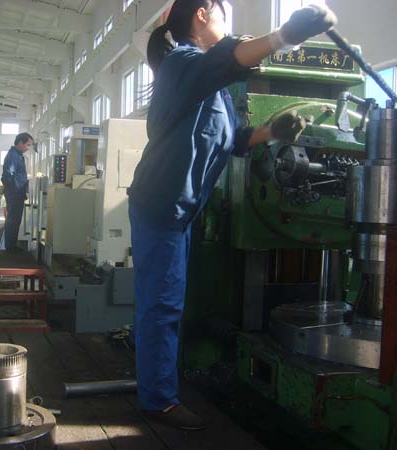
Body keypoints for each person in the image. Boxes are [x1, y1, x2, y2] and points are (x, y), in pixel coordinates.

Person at [127, 1, 336, 431]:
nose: (227, 23)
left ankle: (155, 382)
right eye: (224, 12)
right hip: (161, 204)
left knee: (165, 300)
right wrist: (285, 36)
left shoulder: (211, 84)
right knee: (162, 304)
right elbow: (229, 58)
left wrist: (270, 132)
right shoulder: (183, 62)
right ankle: (157, 401)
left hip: (179, 207)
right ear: (202, 14)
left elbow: (230, 139)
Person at [1, 132, 33, 252]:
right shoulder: (13, 156)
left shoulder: (17, 155)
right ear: (20, 142)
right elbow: (7, 175)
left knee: (15, 219)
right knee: (13, 219)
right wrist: (14, 188)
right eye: (27, 145)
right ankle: (10, 247)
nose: (28, 148)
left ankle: (11, 245)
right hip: (15, 192)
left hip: (17, 191)